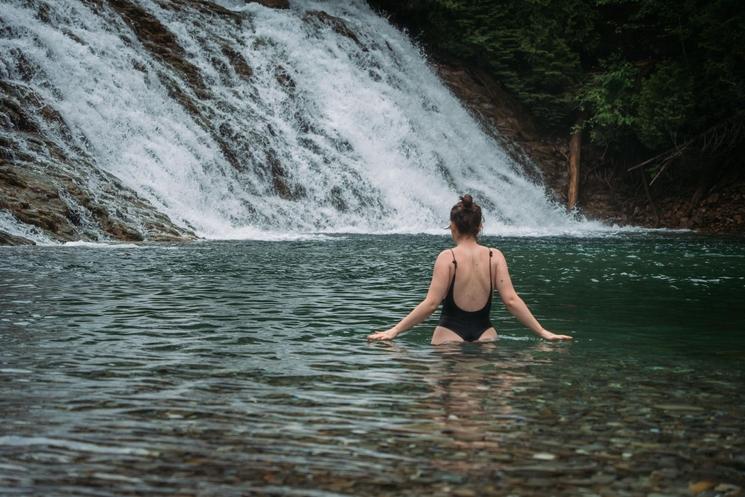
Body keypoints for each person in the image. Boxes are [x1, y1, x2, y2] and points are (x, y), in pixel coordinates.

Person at [367, 195, 573, 345]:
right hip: (485, 334)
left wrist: (394, 331)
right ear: (480, 227)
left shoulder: (448, 257)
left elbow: (431, 304)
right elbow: (511, 300)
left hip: (448, 333)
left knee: (445, 398)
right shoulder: (495, 256)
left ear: (453, 226)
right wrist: (543, 332)